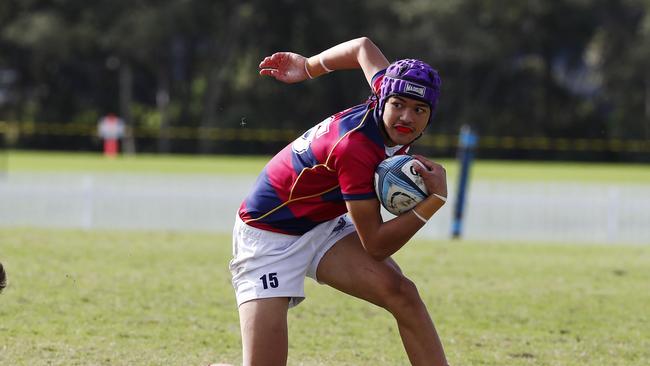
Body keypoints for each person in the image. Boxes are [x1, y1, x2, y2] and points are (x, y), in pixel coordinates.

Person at [229, 37, 449, 366]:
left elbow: (362, 47)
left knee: (403, 295)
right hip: (268, 237)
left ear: (430, 116)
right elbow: (375, 244)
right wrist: (436, 199)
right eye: (398, 104)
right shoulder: (356, 148)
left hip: (323, 224)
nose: (406, 116)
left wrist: (308, 66)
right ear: (380, 99)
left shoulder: (386, 94)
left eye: (419, 110)